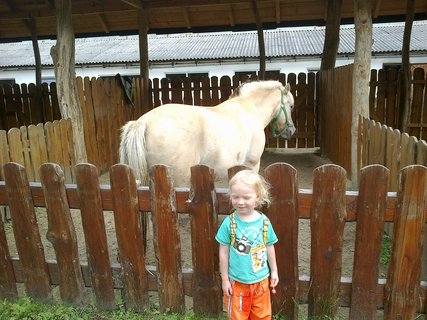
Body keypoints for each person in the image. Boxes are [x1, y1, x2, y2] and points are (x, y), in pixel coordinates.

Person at [215, 169, 279, 320]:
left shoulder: (264, 222)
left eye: (246, 197)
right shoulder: (228, 223)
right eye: (235, 197)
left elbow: (269, 247)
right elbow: (223, 252)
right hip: (237, 282)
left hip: (261, 281)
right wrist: (224, 280)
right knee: (238, 317)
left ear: (258, 197)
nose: (240, 201)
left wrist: (274, 271)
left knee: (262, 316)